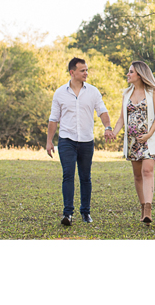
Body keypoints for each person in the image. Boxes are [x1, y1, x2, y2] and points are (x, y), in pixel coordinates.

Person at [45, 57, 115, 226]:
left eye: (86, 70)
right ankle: (67, 214)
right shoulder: (60, 93)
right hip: (66, 140)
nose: (86, 73)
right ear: (72, 72)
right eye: (82, 70)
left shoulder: (93, 92)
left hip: (86, 141)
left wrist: (108, 127)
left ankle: (86, 212)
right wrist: (49, 142)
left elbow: (102, 111)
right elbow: (53, 119)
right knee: (68, 175)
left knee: (85, 177)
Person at [112, 61, 155, 224]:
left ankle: (148, 209)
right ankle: (142, 207)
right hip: (133, 142)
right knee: (137, 175)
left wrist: (149, 134)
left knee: (147, 172)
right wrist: (113, 132)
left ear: (140, 75)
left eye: (131, 72)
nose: (128, 74)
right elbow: (122, 118)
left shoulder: (152, 92)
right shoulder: (126, 94)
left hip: (149, 140)